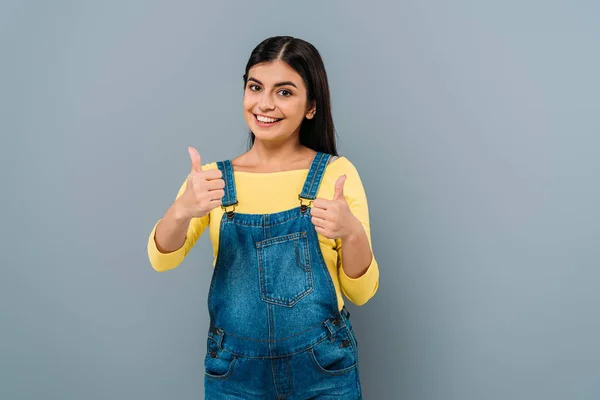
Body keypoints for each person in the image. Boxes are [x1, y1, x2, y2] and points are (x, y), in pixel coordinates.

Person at [147, 36, 379, 399]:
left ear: (311, 107)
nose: (265, 104)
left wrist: (350, 233)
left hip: (323, 370)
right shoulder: (212, 180)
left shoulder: (336, 173)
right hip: (235, 373)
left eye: (284, 92)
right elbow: (162, 258)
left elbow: (361, 292)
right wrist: (182, 210)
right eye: (256, 87)